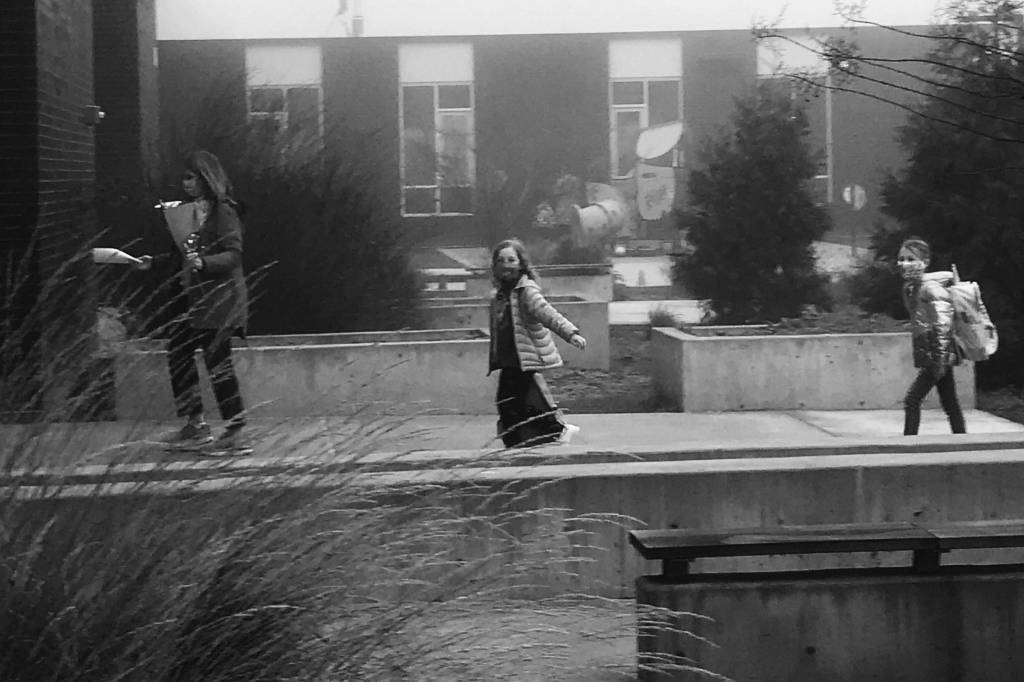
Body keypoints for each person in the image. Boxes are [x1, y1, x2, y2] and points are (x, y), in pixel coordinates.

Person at [136, 150, 249, 451]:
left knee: (217, 362)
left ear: (205, 178)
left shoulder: (222, 211)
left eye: (190, 177)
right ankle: (195, 423)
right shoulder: (190, 213)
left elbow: (233, 253)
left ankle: (235, 429)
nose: (185, 183)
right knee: (179, 357)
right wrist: (155, 262)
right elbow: (183, 257)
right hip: (192, 299)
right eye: (184, 177)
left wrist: (205, 263)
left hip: (217, 300)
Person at [488, 238, 587, 447]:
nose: (506, 264)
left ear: (521, 264)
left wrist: (571, 333)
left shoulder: (526, 291)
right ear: (495, 265)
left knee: (509, 404)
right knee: (517, 404)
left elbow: (548, 314)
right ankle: (542, 434)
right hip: (510, 360)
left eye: (511, 260)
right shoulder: (500, 295)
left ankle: (548, 433)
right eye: (501, 260)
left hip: (524, 358)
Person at [897, 236, 966, 436]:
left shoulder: (930, 288)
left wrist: (939, 362)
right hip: (933, 353)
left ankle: (909, 445)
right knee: (950, 403)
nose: (904, 263)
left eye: (911, 259)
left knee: (912, 400)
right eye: (901, 258)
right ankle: (963, 443)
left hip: (936, 354)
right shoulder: (912, 287)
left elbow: (943, 323)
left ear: (925, 262)